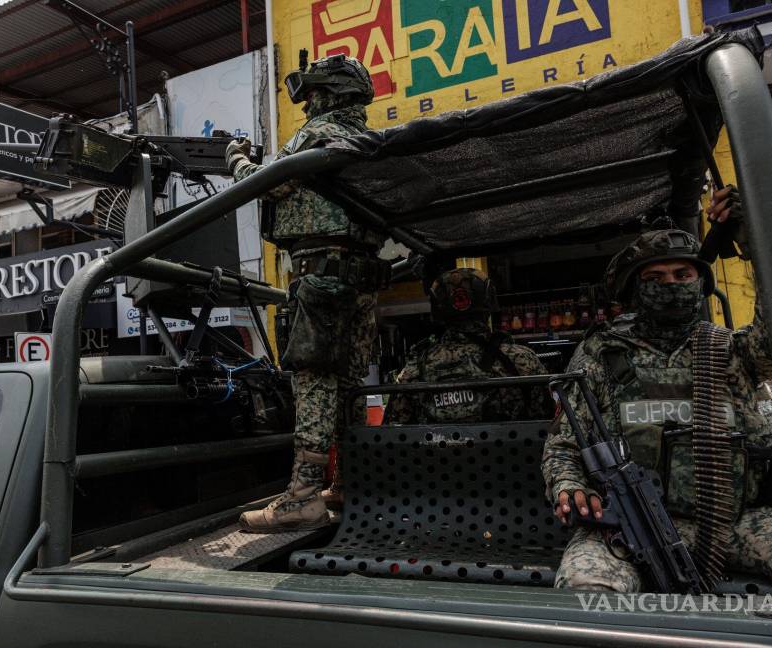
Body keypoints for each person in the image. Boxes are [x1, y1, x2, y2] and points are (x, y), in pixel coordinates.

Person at [542, 190, 772, 593]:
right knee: (587, 590)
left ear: (699, 282)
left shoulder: (731, 352)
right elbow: (564, 445)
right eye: (655, 278)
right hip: (633, 521)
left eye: (682, 275)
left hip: (735, 522)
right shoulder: (602, 356)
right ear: (634, 289)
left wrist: (755, 240)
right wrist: (569, 486)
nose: (670, 285)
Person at [226, 53, 386, 532]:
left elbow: (266, 186)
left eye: (312, 93)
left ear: (329, 94)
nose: (308, 103)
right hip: (360, 280)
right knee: (351, 383)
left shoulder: (319, 135)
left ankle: (303, 495)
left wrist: (237, 159)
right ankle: (350, 482)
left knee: (315, 380)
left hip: (318, 278)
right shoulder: (366, 139)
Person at [384, 268, 552, 425]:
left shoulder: (415, 366)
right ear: (489, 306)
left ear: (437, 312)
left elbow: (393, 428)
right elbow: (548, 422)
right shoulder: (520, 359)